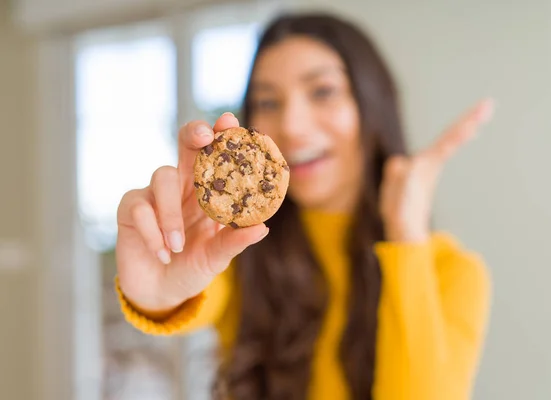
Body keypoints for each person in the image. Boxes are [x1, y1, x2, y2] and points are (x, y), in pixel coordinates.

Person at [115, 13, 493, 400]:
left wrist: (406, 237)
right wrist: (157, 292)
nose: (292, 126)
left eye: (322, 91)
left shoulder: (452, 273)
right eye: (268, 101)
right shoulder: (236, 252)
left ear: (371, 106)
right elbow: (184, 288)